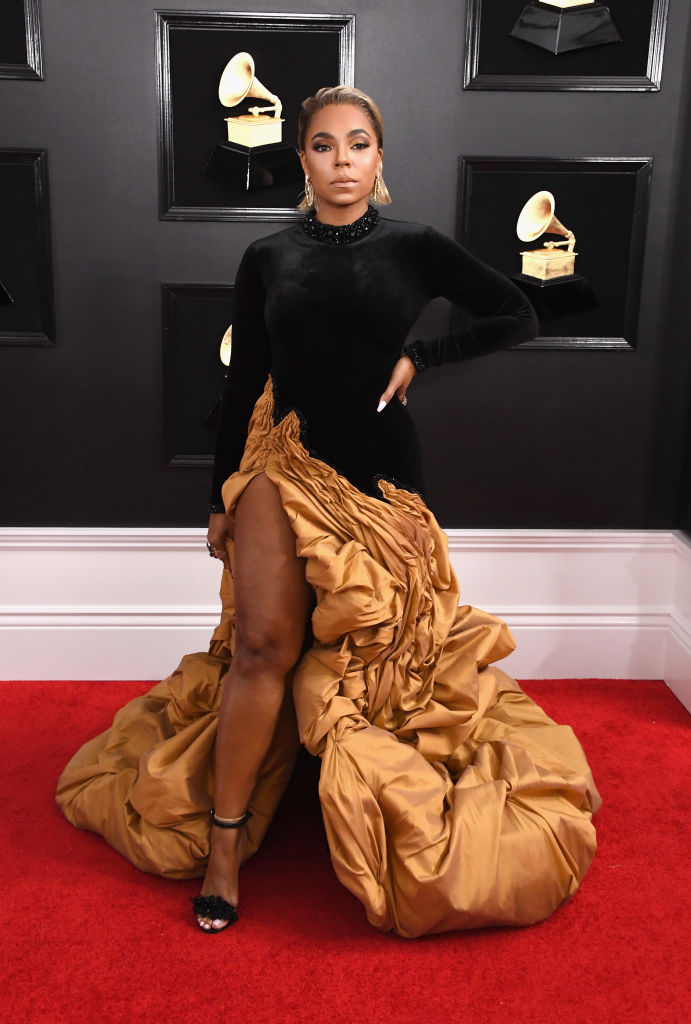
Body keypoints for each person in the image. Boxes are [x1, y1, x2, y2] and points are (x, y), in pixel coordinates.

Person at [56, 86, 601, 938]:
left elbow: (518, 311)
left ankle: (358, 797)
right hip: (286, 462)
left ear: (378, 158)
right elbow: (242, 383)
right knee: (264, 646)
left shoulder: (415, 245)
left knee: (376, 654)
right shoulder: (268, 255)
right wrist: (218, 499)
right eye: (321, 145)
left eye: (357, 144)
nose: (341, 160)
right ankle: (226, 846)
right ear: (302, 159)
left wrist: (423, 354)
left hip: (383, 473)